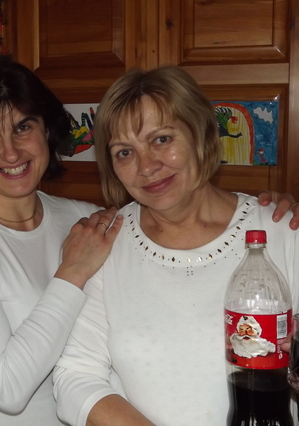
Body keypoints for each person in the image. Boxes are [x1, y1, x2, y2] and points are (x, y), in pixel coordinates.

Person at [53, 65, 299, 426]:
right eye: (124, 152)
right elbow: (76, 377)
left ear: (202, 134)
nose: (146, 166)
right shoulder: (105, 245)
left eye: (162, 139)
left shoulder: (281, 232)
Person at [0, 56, 123, 426]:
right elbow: (7, 389)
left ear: (47, 131)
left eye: (23, 127)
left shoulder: (83, 220)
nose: (11, 152)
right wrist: (72, 272)